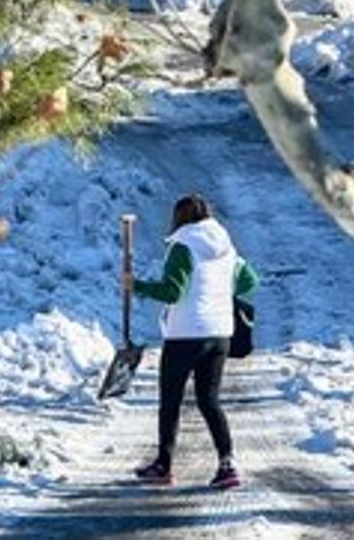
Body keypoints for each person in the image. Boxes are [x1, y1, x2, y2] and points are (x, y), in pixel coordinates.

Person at [130, 194, 259, 489]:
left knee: (171, 401)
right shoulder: (225, 245)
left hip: (185, 334)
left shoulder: (183, 245)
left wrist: (136, 286)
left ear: (179, 217)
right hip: (219, 335)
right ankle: (227, 464)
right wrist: (218, 289)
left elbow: (172, 292)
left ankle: (164, 465)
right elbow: (250, 281)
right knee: (209, 400)